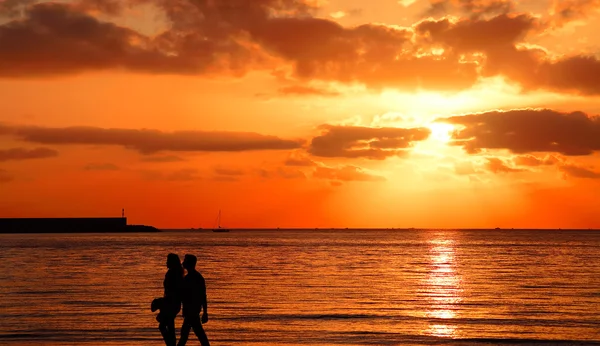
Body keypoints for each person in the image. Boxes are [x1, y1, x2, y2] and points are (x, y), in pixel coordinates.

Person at [177, 254, 210, 346]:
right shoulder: (192, 278)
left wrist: (205, 312)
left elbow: (203, 296)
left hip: (192, 312)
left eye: (185, 261)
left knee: (187, 336)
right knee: (191, 335)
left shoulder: (194, 278)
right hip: (191, 311)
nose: (183, 263)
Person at [157, 253, 184, 346]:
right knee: (169, 325)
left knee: (163, 326)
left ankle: (170, 344)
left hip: (170, 304)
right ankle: (171, 344)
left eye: (168, 261)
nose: (166, 262)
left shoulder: (172, 274)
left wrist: (162, 302)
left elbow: (172, 292)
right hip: (174, 304)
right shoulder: (177, 273)